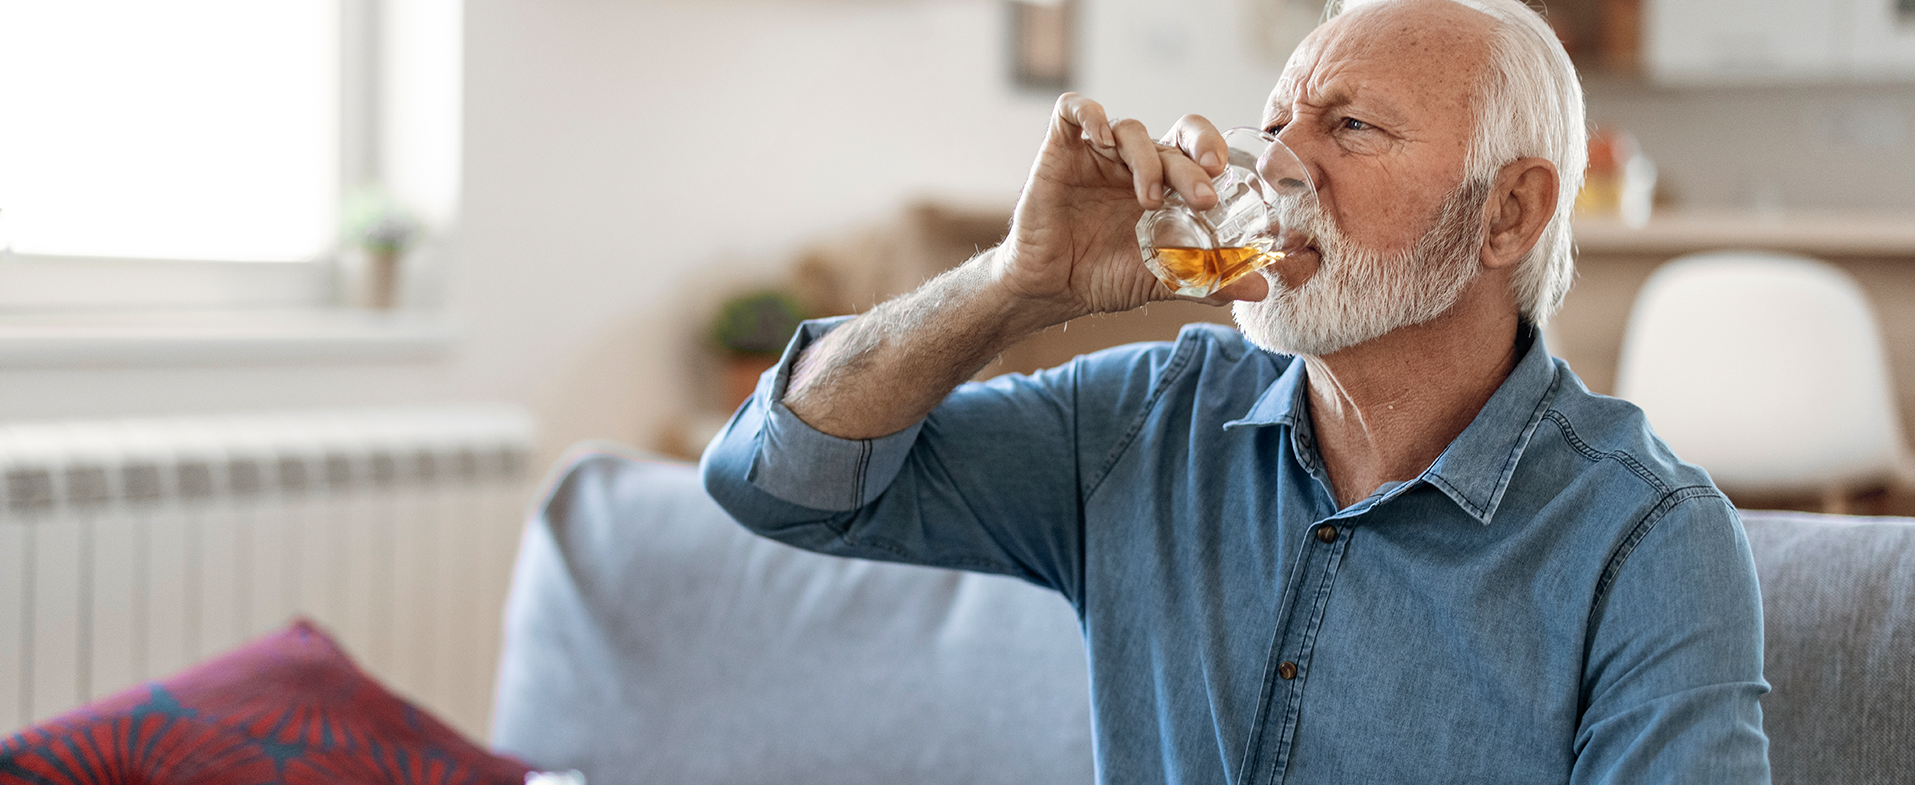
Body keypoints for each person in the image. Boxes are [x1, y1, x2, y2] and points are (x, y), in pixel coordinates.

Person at [701, 0, 1770, 781]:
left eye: (1351, 127)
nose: (1276, 165)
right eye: (1278, 123)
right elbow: (777, 479)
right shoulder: (1148, 419)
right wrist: (1013, 285)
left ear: (1508, 213)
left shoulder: (1648, 539)